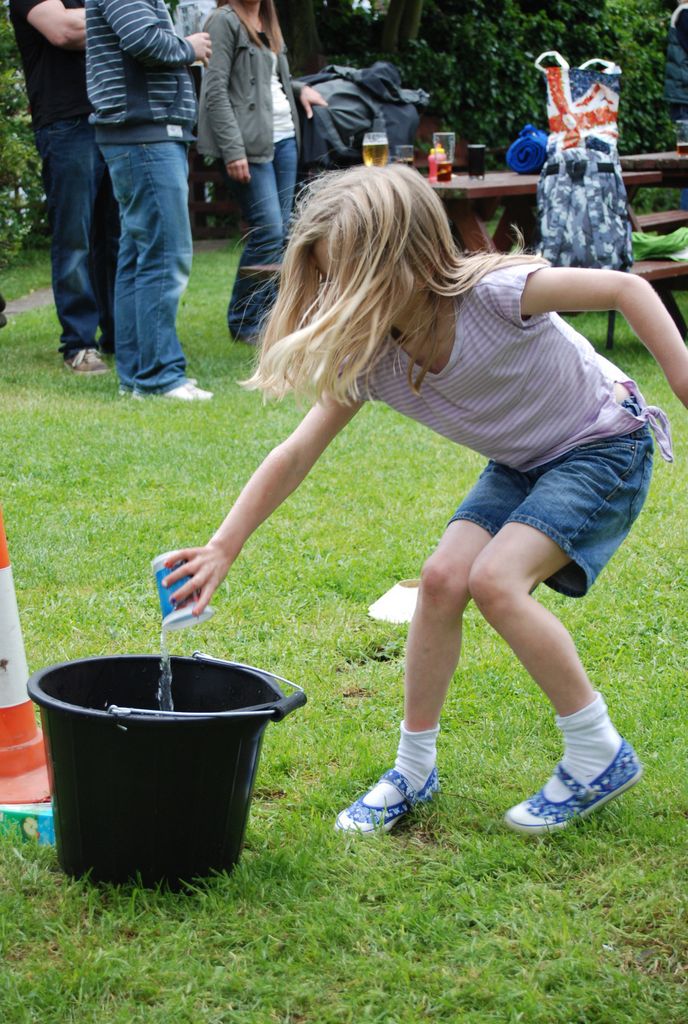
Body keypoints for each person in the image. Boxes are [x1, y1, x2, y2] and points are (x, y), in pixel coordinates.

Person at [163, 165, 688, 835]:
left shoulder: (497, 295)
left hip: (602, 442)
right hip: (523, 460)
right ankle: (413, 769)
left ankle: (597, 751)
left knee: (495, 580)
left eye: (349, 280)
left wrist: (681, 378)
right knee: (441, 581)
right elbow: (294, 453)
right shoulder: (373, 354)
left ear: (406, 260)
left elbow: (624, 287)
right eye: (327, 281)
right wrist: (222, 546)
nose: (336, 299)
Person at [85, 0, 214, 400]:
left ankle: (137, 375)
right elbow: (142, 40)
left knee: (137, 256)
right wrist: (189, 47)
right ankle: (160, 376)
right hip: (145, 135)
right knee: (164, 253)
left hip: (140, 135)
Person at [197, 0, 327, 344]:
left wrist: (300, 89)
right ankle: (244, 319)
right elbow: (214, 91)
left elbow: (267, 80)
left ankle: (269, 318)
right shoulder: (223, 21)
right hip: (248, 144)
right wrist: (232, 148)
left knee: (283, 233)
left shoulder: (268, 19)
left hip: (284, 139)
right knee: (268, 230)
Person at [9, 0, 119, 375]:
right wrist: (119, 19)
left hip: (114, 116)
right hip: (65, 121)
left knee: (117, 238)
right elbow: (63, 30)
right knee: (74, 239)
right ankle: (79, 342)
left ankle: (119, 335)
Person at [665, 0, 688, 210]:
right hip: (684, 99)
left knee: (686, 157)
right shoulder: (686, 14)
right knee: (686, 159)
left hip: (681, 99)